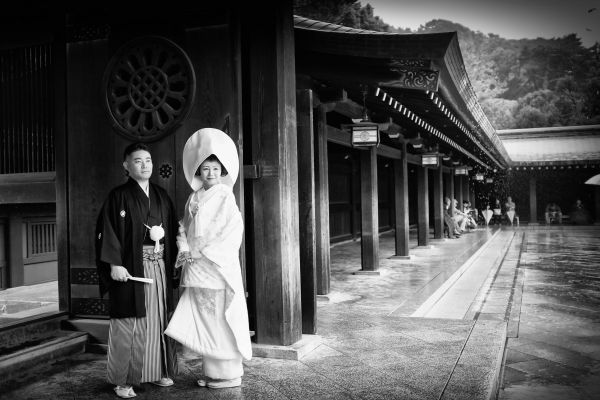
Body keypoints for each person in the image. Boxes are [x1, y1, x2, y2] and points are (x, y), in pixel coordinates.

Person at [165, 128, 251, 389]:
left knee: (220, 318)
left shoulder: (225, 195)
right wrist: (184, 248)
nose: (210, 173)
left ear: (222, 171)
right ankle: (214, 372)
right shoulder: (193, 197)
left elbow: (233, 229)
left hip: (216, 267)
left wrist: (206, 252)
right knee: (205, 319)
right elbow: (184, 227)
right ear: (198, 171)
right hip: (196, 266)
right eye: (205, 168)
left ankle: (229, 374)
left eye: (215, 168)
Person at [95, 143, 179, 399]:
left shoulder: (161, 195)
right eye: (138, 161)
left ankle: (157, 371)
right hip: (132, 269)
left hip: (159, 267)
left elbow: (174, 230)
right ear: (126, 166)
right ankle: (124, 381)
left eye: (149, 160)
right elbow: (106, 231)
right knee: (130, 323)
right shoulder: (118, 196)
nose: (145, 165)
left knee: (158, 319)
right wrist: (114, 264)